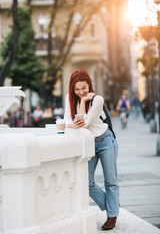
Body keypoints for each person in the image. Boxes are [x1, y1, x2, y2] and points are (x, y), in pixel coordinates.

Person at [64, 69, 119, 230]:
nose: (81, 92)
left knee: (111, 181)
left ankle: (112, 216)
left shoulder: (98, 100)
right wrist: (71, 122)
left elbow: (84, 122)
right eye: (77, 89)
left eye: (84, 88)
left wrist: (81, 103)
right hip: (89, 143)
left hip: (105, 140)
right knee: (87, 183)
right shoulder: (69, 98)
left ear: (90, 86)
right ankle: (112, 206)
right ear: (72, 89)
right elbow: (67, 120)